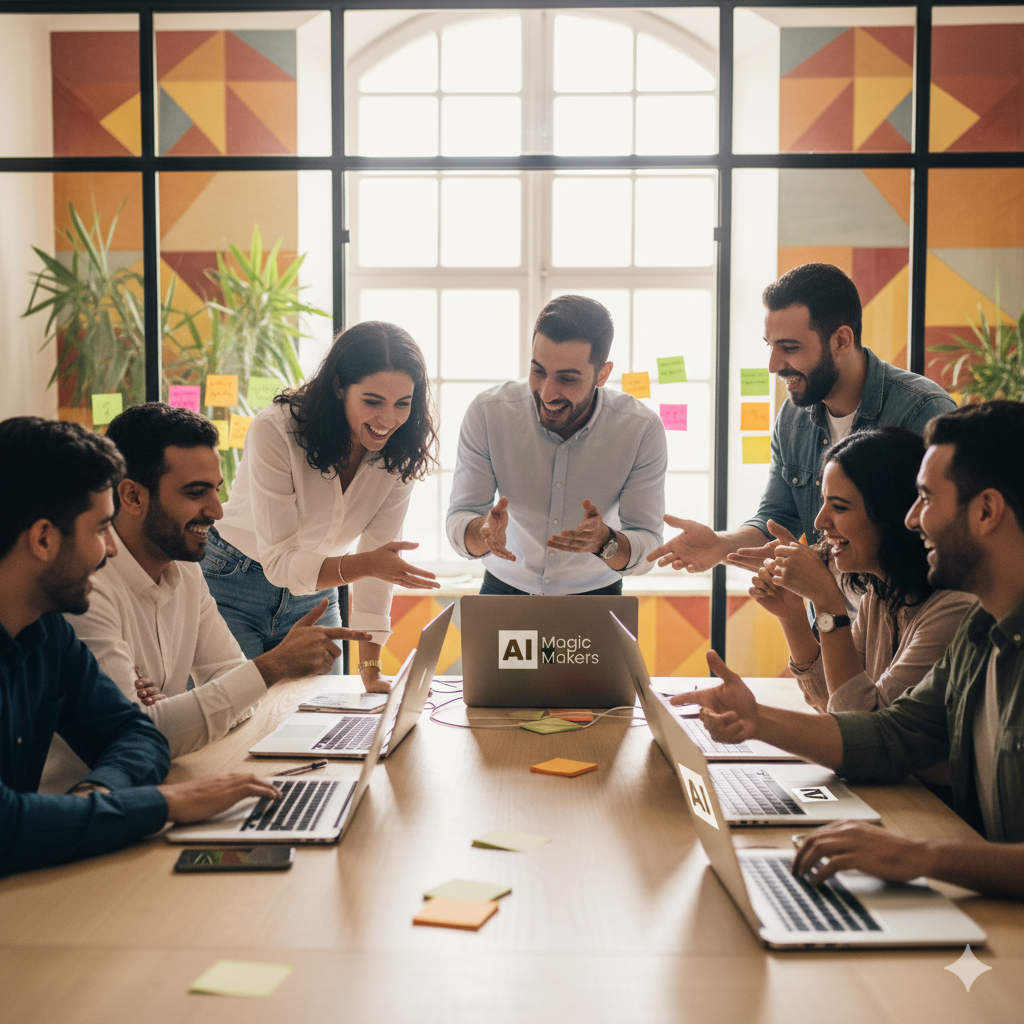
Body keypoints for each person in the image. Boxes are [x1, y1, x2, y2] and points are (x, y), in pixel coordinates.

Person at [674, 401, 1024, 898]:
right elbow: (890, 735)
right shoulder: (980, 632)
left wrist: (919, 855)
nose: (911, 519)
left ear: (987, 510)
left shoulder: (959, 615)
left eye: (925, 499)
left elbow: (867, 715)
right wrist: (756, 719)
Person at [0, 416, 280, 878]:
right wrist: (163, 802)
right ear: (44, 539)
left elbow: (139, 735)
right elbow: (7, 824)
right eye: (99, 529)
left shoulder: (46, 630)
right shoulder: (67, 612)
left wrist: (100, 795)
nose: (111, 549)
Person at [42, 404, 373, 788]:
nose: (216, 511)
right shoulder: (84, 588)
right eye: (195, 493)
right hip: (82, 813)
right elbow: (140, 734)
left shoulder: (185, 569)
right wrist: (269, 668)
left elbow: (229, 679)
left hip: (156, 785)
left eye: (217, 490)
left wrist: (171, 714)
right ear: (131, 497)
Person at [647, 263, 956, 573]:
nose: (773, 365)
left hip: (902, 617)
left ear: (841, 341)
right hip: (825, 617)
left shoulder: (922, 410)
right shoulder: (792, 418)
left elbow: (941, 537)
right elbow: (778, 517)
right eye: (770, 346)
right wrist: (720, 545)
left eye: (790, 347)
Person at [203, 322, 440, 693]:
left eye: (403, 404)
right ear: (339, 387)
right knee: (233, 721)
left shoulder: (400, 451)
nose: (388, 420)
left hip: (317, 592)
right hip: (233, 582)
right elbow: (283, 562)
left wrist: (371, 669)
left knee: (317, 723)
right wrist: (371, 564)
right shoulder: (277, 430)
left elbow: (379, 560)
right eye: (372, 401)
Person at [734, 427, 974, 713]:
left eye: (839, 507)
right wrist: (792, 615)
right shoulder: (880, 596)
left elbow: (862, 726)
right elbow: (832, 703)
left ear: (891, 512)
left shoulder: (952, 612)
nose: (820, 522)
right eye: (823, 502)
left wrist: (827, 602)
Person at [446, 294, 667, 595]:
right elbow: (461, 515)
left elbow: (648, 542)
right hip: (504, 589)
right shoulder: (488, 413)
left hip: (597, 595)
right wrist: (481, 533)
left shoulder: (641, 429)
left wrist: (605, 543)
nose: (548, 393)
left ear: (602, 374)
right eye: (538, 371)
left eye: (567, 378)